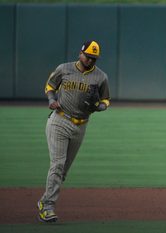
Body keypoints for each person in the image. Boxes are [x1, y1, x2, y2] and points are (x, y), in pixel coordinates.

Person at [37, 40, 111, 222]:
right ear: (80, 53)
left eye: (94, 58)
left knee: (63, 172)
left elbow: (106, 99)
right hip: (59, 120)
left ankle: (44, 201)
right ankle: (47, 208)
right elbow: (49, 85)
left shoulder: (101, 77)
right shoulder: (64, 69)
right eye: (88, 57)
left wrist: (99, 107)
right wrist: (51, 99)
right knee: (58, 164)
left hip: (81, 125)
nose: (91, 61)